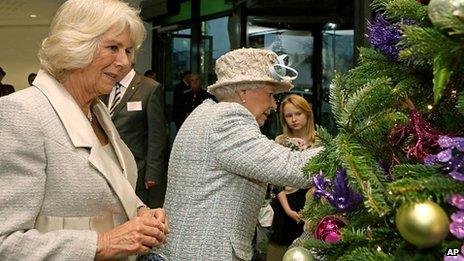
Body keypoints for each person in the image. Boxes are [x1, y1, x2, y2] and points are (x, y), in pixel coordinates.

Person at [0, 1, 168, 260]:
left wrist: (140, 212)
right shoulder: (23, 113)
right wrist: (104, 243)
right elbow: (6, 243)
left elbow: (107, 190)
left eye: (129, 50)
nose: (124, 62)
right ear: (75, 46)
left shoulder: (95, 111)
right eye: (113, 47)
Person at [162, 48, 323, 260]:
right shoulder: (228, 118)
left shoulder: (206, 113)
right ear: (244, 93)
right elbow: (293, 169)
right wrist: (347, 149)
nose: (274, 105)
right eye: (270, 94)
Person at [101, 64, 167, 208]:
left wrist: (153, 173)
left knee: (136, 213)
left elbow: (157, 135)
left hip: (137, 167)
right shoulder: (104, 86)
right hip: (108, 165)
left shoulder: (149, 88)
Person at [268, 94, 317, 260]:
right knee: (278, 250)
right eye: (289, 115)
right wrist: (288, 210)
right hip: (284, 204)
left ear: (307, 114)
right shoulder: (280, 141)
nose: (294, 119)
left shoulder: (319, 141)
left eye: (298, 114)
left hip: (310, 205)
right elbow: (276, 180)